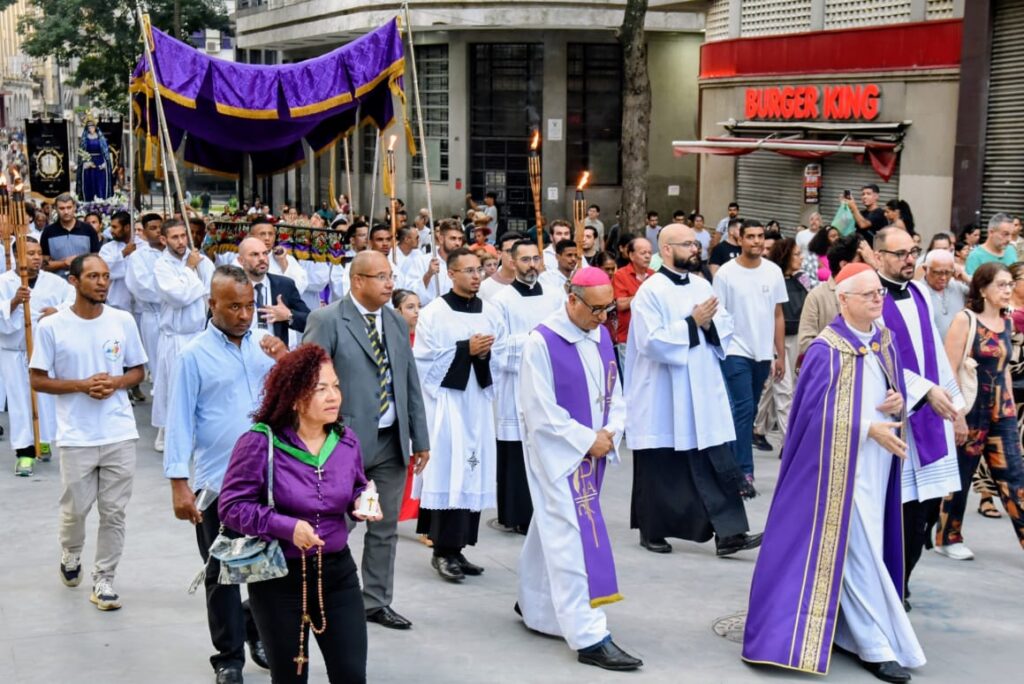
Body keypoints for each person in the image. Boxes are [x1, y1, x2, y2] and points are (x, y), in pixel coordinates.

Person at [744, 263, 924, 682]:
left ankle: (843, 631)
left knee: (863, 548)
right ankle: (876, 645)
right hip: (836, 471)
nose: (878, 299)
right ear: (843, 300)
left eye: (880, 292)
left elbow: (890, 388)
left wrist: (897, 400)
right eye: (869, 294)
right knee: (859, 552)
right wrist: (866, 428)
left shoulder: (884, 340)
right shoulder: (826, 350)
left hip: (876, 467)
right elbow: (809, 419)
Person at [219, 345, 381, 684]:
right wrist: (286, 526)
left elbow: (357, 485)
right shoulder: (260, 443)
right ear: (294, 398)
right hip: (278, 578)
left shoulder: (346, 441)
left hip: (337, 574)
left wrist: (363, 501)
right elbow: (232, 506)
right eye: (320, 389)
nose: (333, 396)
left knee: (351, 675)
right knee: (290, 677)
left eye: (335, 386)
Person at [516, 266, 641, 672]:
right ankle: (589, 636)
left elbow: (614, 391)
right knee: (572, 539)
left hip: (592, 452)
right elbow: (539, 411)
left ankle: (534, 603)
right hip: (558, 455)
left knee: (550, 528)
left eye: (609, 310)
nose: (603, 319)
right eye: (596, 310)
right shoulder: (541, 342)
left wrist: (611, 431)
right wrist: (588, 439)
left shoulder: (599, 333)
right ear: (572, 299)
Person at [164, 266, 285, 682]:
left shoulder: (267, 347)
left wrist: (285, 362)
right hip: (219, 484)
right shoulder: (193, 355)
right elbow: (179, 421)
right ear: (211, 304)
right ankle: (229, 658)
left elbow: (298, 401)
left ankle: (256, 629)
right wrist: (179, 484)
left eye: (249, 306)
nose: (244, 315)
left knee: (269, 568)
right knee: (221, 573)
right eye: (233, 306)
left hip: (271, 480)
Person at [302, 251, 430, 630]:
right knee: (335, 524)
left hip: (390, 443)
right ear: (357, 281)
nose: (390, 284)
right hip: (344, 445)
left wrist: (419, 436)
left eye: (391, 276)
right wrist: (315, 440)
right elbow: (309, 383)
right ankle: (310, 594)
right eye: (381, 277)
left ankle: (375, 601)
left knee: (384, 526)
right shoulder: (328, 320)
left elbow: (408, 380)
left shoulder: (394, 320)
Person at [625, 224, 762, 559]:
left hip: (701, 387)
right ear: (666, 249)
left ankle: (730, 534)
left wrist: (709, 323)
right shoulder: (650, 291)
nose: (695, 248)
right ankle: (652, 530)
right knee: (661, 464)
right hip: (663, 391)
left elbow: (725, 324)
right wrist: (691, 322)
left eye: (694, 243)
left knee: (715, 458)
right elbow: (649, 341)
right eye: (687, 244)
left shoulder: (702, 284)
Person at [30, 254, 147, 611]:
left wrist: (116, 383)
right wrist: (81, 385)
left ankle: (104, 579)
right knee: (75, 511)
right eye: (93, 276)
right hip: (76, 436)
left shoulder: (122, 320)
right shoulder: (52, 327)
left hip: (119, 432)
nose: (102, 283)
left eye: (106, 276)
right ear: (74, 281)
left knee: (114, 513)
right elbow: (38, 380)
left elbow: (138, 371)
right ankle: (71, 552)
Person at [873, 227, 963, 599]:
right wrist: (925, 392)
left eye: (913, 251)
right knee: (899, 512)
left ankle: (903, 580)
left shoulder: (920, 292)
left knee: (926, 511)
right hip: (893, 420)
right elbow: (877, 356)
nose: (910, 259)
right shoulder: (872, 298)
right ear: (878, 256)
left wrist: (955, 405)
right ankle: (891, 588)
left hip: (931, 417)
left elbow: (935, 352)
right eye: (900, 254)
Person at [413, 249, 506, 581]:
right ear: (450, 274)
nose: (476, 276)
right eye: (468, 270)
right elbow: (423, 361)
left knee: (472, 472)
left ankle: (459, 547)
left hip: (477, 403)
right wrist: (466, 349)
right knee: (448, 473)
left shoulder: (491, 312)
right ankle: (442, 550)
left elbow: (501, 356)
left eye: (478, 269)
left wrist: (484, 355)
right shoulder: (434, 313)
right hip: (447, 406)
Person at [937, 263, 1024, 560]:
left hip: (1002, 411)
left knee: (1014, 475)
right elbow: (949, 368)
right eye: (1001, 285)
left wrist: (1008, 404)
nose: (1008, 290)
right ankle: (948, 537)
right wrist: (956, 413)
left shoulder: (1007, 322)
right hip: (971, 407)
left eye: (1010, 284)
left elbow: (1005, 368)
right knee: (961, 475)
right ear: (984, 289)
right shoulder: (966, 320)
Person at [490, 240, 565, 534]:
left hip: (550, 384)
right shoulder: (501, 301)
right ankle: (518, 515)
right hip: (516, 386)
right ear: (512, 262)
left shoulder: (556, 296)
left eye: (536, 259)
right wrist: (537, 340)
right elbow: (498, 349)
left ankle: (549, 510)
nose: (532, 265)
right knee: (517, 451)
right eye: (525, 259)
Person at [713, 219, 787, 494]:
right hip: (735, 351)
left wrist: (779, 354)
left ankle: (728, 464)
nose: (756, 241)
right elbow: (718, 315)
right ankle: (743, 472)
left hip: (762, 353)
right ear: (740, 239)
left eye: (760, 236)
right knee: (743, 409)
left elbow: (778, 315)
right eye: (751, 236)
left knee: (750, 410)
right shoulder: (726, 274)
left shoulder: (773, 272)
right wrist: (720, 350)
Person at [0, 237, 69, 475]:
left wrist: (56, 311)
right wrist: (13, 302)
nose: (37, 258)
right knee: (20, 401)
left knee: (46, 399)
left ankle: (44, 439)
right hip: (15, 352)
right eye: (30, 253)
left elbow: (72, 302)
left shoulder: (54, 282)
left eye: (39, 253)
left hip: (44, 351)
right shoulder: (4, 282)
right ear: (17, 256)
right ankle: (25, 451)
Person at [151, 220, 215, 453]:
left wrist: (191, 282)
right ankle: (167, 431)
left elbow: (209, 291)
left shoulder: (202, 261)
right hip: (174, 336)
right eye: (174, 237)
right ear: (164, 240)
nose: (181, 241)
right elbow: (177, 297)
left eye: (182, 236)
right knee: (172, 385)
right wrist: (189, 271)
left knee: (200, 387)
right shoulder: (161, 265)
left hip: (198, 333)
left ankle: (196, 432)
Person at [753, 238, 811, 452]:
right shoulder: (771, 280)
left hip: (795, 338)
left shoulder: (802, 280)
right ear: (786, 256)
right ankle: (789, 443)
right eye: (796, 254)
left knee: (775, 386)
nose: (801, 258)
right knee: (784, 389)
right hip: (775, 339)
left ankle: (758, 429)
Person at [797, 234, 873, 359]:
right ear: (844, 265)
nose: (866, 266)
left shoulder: (873, 292)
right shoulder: (817, 296)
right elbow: (805, 343)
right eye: (862, 261)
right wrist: (845, 351)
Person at [391, 289, 425, 528]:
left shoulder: (425, 338)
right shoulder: (393, 339)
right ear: (397, 311)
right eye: (410, 307)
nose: (416, 312)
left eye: (418, 306)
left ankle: (421, 518)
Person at [236, 236, 310, 344]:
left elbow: (310, 322)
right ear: (241, 260)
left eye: (265, 253)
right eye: (255, 254)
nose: (262, 258)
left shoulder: (285, 285)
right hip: (240, 351)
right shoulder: (232, 287)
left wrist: (288, 316)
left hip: (276, 352)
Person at [124, 213, 165, 390]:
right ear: (144, 232)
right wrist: (172, 293)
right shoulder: (138, 257)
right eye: (152, 228)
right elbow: (142, 287)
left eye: (160, 227)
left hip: (177, 317)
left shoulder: (176, 253)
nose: (158, 231)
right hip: (154, 315)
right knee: (158, 368)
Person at [402, 219, 465, 306]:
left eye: (460, 239)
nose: (457, 243)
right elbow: (410, 293)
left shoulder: (464, 264)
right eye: (453, 238)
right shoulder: (422, 261)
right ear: (441, 239)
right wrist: (428, 275)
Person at [610, 237, 654, 361]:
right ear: (631, 255)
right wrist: (644, 295)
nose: (647, 256)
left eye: (650, 253)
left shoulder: (654, 275)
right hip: (627, 337)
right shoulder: (620, 275)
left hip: (650, 337)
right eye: (643, 253)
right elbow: (620, 304)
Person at [39, 193, 100, 278]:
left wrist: (79, 263)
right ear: (56, 209)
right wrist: (63, 263)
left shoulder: (88, 230)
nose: (66, 212)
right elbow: (43, 265)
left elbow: (96, 260)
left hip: (85, 280)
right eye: (62, 208)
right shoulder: (48, 232)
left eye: (69, 207)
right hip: (58, 281)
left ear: (74, 207)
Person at [243, 219, 309, 293]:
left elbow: (299, 287)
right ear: (251, 236)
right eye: (262, 234)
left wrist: (283, 262)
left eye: (271, 234)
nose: (267, 238)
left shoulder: (286, 258)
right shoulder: (242, 259)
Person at [920, 248, 969, 339]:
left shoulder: (957, 286)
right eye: (937, 273)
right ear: (925, 269)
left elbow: (985, 294)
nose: (943, 277)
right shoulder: (917, 292)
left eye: (948, 273)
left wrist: (965, 278)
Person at [478, 231, 524, 301]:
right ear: (499, 254)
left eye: (519, 251)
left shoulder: (533, 284)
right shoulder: (484, 287)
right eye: (509, 251)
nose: (514, 255)